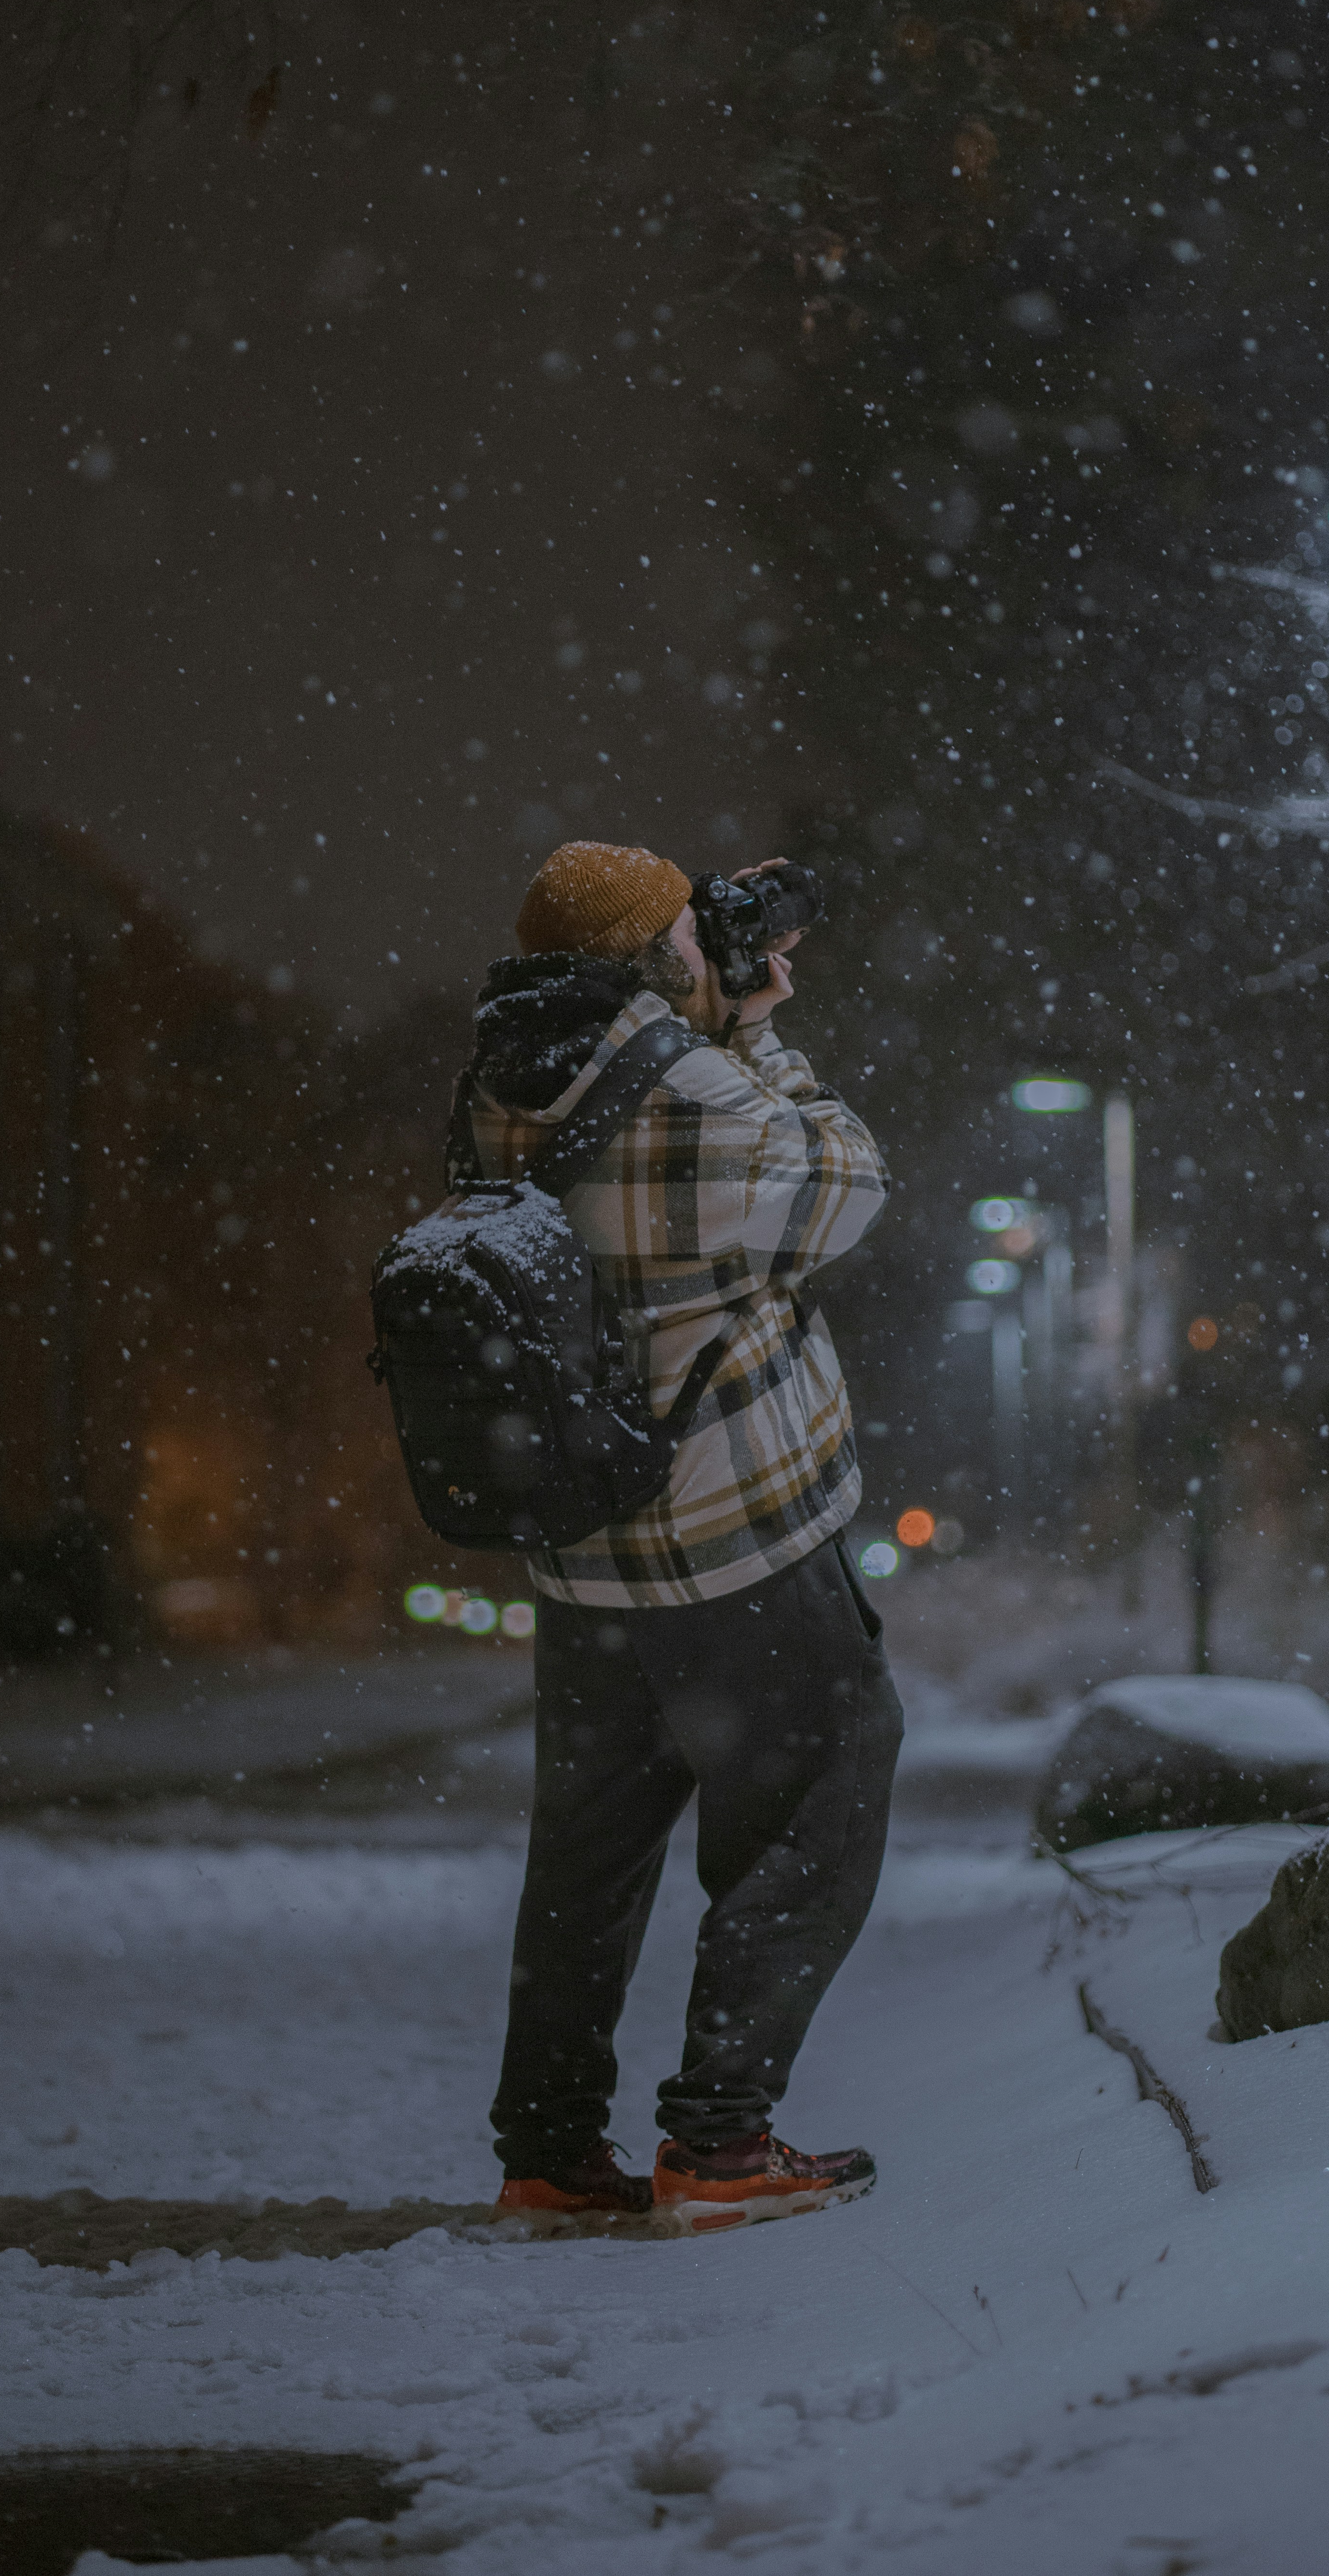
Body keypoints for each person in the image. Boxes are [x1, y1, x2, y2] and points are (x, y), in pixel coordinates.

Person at [462, 839, 900, 2234]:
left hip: (583, 1545)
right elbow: (852, 1186)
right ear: (669, 963)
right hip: (731, 1536)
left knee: (589, 1850)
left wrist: (707, 1005)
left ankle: (545, 2150)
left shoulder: (497, 1085)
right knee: (826, 1785)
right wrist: (764, 1028)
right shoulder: (701, 1093)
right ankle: (719, 2144)